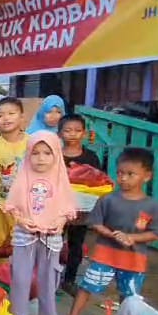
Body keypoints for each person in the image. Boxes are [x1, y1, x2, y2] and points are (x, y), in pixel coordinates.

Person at [61, 148, 158, 315]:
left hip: (134, 260)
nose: (123, 178)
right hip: (104, 256)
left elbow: (156, 233)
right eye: (120, 173)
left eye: (130, 174)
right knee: (87, 287)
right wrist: (112, 234)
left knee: (129, 297)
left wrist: (132, 238)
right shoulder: (108, 200)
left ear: (147, 176)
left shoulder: (152, 205)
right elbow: (95, 223)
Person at [5, 131, 77, 315]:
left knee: (49, 278)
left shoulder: (60, 178)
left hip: (51, 237)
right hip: (25, 235)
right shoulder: (23, 175)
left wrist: (60, 223)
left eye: (47, 153)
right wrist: (22, 221)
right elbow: (13, 207)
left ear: (56, 155)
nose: (41, 158)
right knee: (21, 277)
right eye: (35, 153)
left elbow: (66, 209)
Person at [59, 114, 103, 296]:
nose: (73, 134)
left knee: (75, 245)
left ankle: (69, 280)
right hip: (57, 209)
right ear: (60, 133)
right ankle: (49, 278)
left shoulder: (91, 157)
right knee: (51, 243)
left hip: (81, 212)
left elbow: (98, 182)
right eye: (68, 130)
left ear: (84, 133)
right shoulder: (54, 155)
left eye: (77, 131)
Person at [0, 97, 29, 263]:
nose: (6, 118)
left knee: (22, 245)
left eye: (11, 113)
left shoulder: (32, 143)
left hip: (26, 206)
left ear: (22, 117)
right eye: (0, 115)